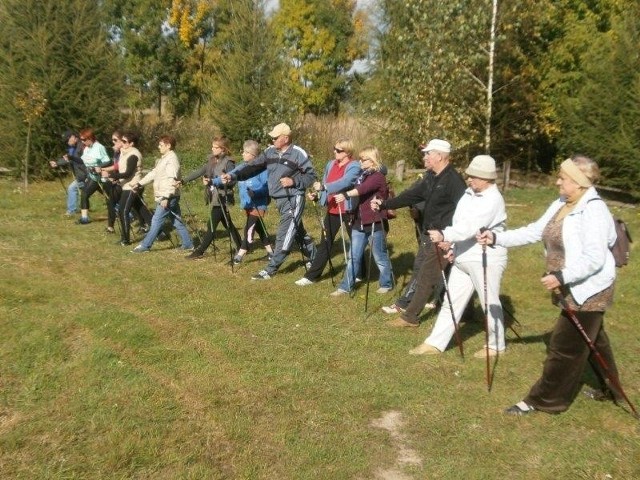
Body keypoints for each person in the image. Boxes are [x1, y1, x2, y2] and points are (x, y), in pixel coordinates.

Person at [478, 155, 623, 415]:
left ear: (579, 183)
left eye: (563, 179)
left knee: (564, 348)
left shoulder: (594, 211)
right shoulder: (563, 203)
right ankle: (614, 391)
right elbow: (535, 231)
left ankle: (545, 400)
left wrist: (562, 276)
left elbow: (595, 258)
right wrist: (497, 237)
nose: (557, 182)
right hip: (570, 285)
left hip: (590, 289)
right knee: (593, 340)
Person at [408, 155, 508, 358]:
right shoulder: (469, 194)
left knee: (489, 302)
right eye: (469, 175)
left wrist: (446, 235)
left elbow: (472, 227)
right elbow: (459, 221)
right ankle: (436, 343)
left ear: (487, 178)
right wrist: (452, 244)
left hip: (485, 259)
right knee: (450, 302)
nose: (469, 180)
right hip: (463, 255)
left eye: (474, 177)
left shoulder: (493, 199)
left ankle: (496, 345)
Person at [372, 139, 466, 327]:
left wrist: (451, 238)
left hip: (444, 237)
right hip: (428, 234)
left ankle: (410, 317)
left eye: (427, 154)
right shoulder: (431, 176)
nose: (424, 157)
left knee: (426, 274)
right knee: (444, 273)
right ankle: (466, 313)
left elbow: (465, 212)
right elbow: (411, 196)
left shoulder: (454, 181)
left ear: (439, 156)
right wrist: (385, 204)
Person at [220, 123, 317, 280]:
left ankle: (270, 269)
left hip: (293, 198)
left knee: (284, 234)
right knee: (298, 232)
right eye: (272, 137)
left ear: (285, 138)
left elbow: (311, 176)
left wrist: (293, 181)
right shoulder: (270, 152)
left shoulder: (298, 153)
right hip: (279, 199)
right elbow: (252, 167)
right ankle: (316, 258)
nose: (272, 139)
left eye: (275, 137)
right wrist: (233, 176)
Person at [295, 138, 361, 286]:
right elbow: (326, 184)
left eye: (339, 150)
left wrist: (324, 187)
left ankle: (359, 272)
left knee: (356, 242)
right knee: (325, 242)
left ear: (347, 152)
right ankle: (311, 276)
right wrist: (318, 195)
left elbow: (346, 182)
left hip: (349, 209)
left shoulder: (354, 166)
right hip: (332, 209)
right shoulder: (330, 164)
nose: (335, 152)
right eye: (334, 149)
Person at [330, 146, 393, 296]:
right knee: (354, 256)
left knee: (380, 256)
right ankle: (345, 287)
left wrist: (345, 195)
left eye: (363, 159)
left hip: (375, 221)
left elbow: (363, 190)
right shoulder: (363, 175)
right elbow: (358, 189)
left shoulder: (378, 176)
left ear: (372, 161)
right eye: (360, 158)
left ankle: (386, 283)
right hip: (359, 221)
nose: (360, 161)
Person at [130, 135, 193, 253]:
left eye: (161, 145)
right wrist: (139, 184)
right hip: (167, 195)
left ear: (168, 146)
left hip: (168, 196)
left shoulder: (172, 160)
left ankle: (145, 245)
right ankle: (188, 244)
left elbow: (172, 180)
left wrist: (166, 197)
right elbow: (154, 173)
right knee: (176, 221)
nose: (158, 147)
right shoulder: (164, 158)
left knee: (156, 220)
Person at [183, 136, 241, 260]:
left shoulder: (229, 162)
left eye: (216, 147)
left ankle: (200, 251)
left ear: (223, 149)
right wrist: (183, 181)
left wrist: (215, 181)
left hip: (222, 197)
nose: (212, 149)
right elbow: (200, 171)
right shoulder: (212, 160)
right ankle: (241, 246)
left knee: (212, 226)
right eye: (212, 146)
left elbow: (232, 180)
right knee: (228, 224)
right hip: (213, 197)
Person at [103, 131, 152, 246]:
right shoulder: (125, 153)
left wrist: (111, 175)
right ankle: (159, 232)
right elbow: (120, 168)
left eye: (125, 141)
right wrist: (114, 176)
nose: (122, 143)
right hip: (126, 185)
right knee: (142, 210)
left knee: (122, 211)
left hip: (132, 186)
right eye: (122, 141)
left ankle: (125, 239)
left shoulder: (133, 155)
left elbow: (127, 173)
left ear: (132, 143)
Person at [230, 140, 274, 264]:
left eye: (245, 152)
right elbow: (235, 178)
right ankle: (271, 252)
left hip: (258, 204)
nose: (242, 154)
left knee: (249, 228)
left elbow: (267, 188)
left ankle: (240, 254)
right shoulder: (243, 167)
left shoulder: (262, 170)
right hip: (248, 203)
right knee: (259, 227)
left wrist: (255, 193)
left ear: (253, 155)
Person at [77, 128, 111, 225]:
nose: (82, 142)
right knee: (84, 194)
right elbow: (82, 161)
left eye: (84, 140)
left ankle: (128, 212)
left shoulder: (99, 147)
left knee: (110, 196)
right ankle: (84, 218)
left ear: (90, 138)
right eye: (81, 140)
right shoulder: (87, 148)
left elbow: (108, 161)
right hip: (93, 177)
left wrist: (99, 167)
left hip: (102, 177)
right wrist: (70, 159)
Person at [49, 130, 86, 216]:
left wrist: (71, 158)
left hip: (86, 175)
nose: (67, 142)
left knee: (72, 188)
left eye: (67, 140)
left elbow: (82, 160)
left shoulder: (82, 146)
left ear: (73, 137)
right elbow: (68, 159)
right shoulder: (73, 148)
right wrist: (57, 163)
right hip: (81, 175)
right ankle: (116, 206)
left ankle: (71, 211)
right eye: (65, 141)